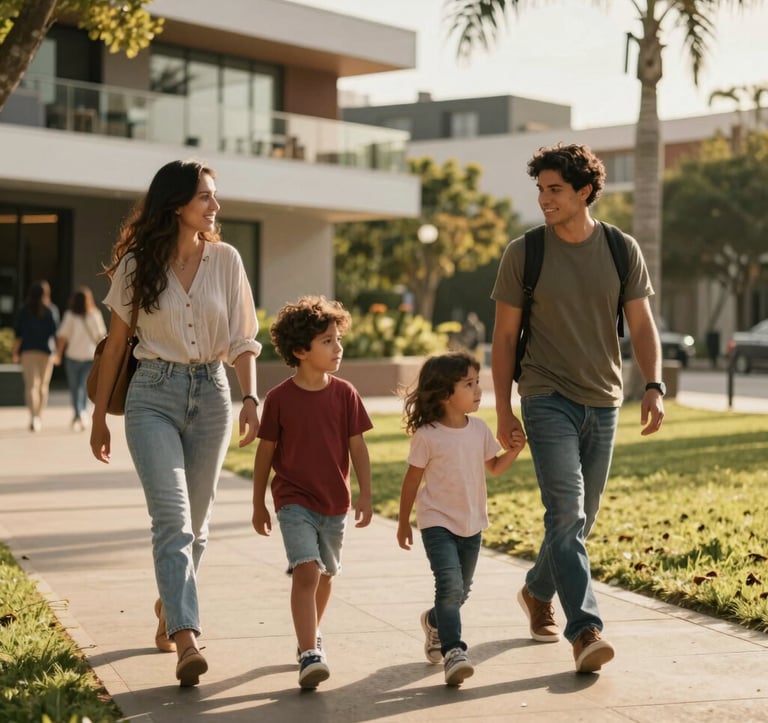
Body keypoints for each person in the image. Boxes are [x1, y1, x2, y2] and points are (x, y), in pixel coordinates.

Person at [491, 143, 665, 673]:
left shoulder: (619, 248)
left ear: (585, 191)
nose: (544, 199)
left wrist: (653, 385)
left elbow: (640, 325)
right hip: (545, 395)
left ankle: (537, 589)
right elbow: (503, 339)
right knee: (565, 512)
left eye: (555, 190)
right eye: (540, 190)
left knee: (579, 520)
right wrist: (504, 410)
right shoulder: (526, 252)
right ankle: (585, 630)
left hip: (604, 398)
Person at [89, 159, 261, 688]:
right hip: (152, 397)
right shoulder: (138, 265)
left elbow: (243, 337)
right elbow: (117, 345)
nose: (216, 205)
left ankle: (170, 603)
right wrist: (98, 418)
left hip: (211, 393)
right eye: (206, 196)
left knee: (200, 524)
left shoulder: (227, 260)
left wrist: (250, 397)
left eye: (215, 195)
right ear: (178, 204)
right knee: (175, 520)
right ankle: (187, 637)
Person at [251, 295, 373, 690]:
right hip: (293, 501)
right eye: (328, 341)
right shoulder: (281, 399)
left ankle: (311, 634)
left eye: (338, 339)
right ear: (301, 351)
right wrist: (258, 504)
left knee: (325, 576)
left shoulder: (345, 394)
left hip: (335, 503)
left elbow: (358, 448)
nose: (338, 348)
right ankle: (309, 652)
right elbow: (265, 453)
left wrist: (366, 494)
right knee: (306, 570)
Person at [396, 351, 525, 686]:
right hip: (436, 522)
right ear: (444, 394)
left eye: (478, 381)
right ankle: (454, 651)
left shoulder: (479, 429)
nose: (478, 389)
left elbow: (494, 468)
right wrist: (401, 522)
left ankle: (435, 621)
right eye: (469, 384)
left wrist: (513, 450)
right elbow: (411, 481)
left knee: (461, 590)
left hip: (472, 523)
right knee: (450, 586)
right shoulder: (428, 435)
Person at [55, 286, 107, 431]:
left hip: (73, 357)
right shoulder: (95, 315)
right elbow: (101, 336)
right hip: (89, 357)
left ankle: (79, 413)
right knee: (83, 387)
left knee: (75, 387)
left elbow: (62, 337)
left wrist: (58, 353)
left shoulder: (70, 315)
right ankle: (81, 412)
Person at [12, 280, 60, 432]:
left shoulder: (23, 310)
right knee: (43, 387)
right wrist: (58, 353)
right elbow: (56, 334)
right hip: (47, 352)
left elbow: (18, 334)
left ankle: (34, 417)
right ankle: (39, 416)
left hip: (28, 352)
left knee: (31, 386)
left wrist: (15, 352)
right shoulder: (51, 310)